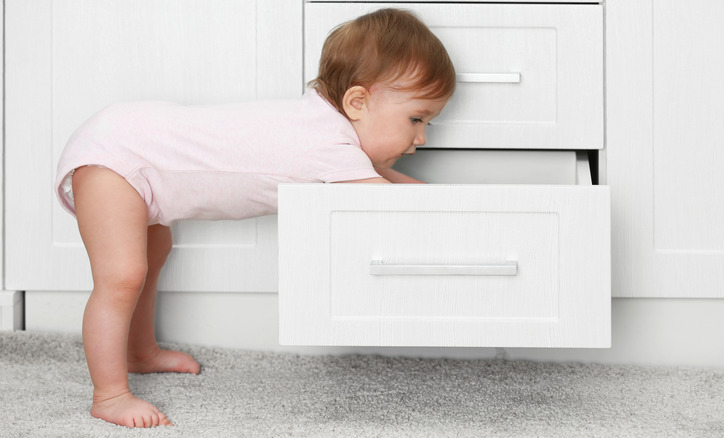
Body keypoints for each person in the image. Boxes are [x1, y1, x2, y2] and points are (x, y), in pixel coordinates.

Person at [54, 8, 456, 428]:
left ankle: (139, 353)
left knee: (153, 254)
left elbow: (373, 178)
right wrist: (454, 210)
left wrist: (419, 191)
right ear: (357, 102)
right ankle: (110, 395)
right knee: (122, 275)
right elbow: (381, 197)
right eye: (417, 118)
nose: (421, 139)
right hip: (118, 155)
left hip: (132, 146)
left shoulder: (326, 133)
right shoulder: (325, 143)